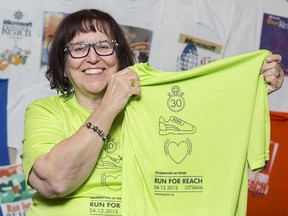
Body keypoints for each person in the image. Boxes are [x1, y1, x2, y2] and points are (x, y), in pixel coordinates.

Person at [21, 9, 284, 216]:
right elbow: (54, 182)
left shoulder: (152, 103)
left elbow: (206, 131)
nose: (93, 58)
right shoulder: (45, 111)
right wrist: (110, 106)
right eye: (78, 49)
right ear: (63, 65)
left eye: (104, 46)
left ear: (120, 56)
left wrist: (250, 90)